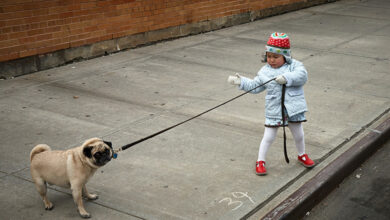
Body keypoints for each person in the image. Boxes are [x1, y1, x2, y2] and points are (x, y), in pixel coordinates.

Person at [227, 32, 315, 175]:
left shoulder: (294, 66)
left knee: (298, 134)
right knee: (269, 136)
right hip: (274, 109)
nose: (272, 60)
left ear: (285, 56)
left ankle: (302, 154)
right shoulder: (264, 71)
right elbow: (256, 86)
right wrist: (241, 81)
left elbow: (302, 76)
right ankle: (260, 160)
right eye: (269, 56)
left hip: (293, 108)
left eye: (276, 57)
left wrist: (286, 77)